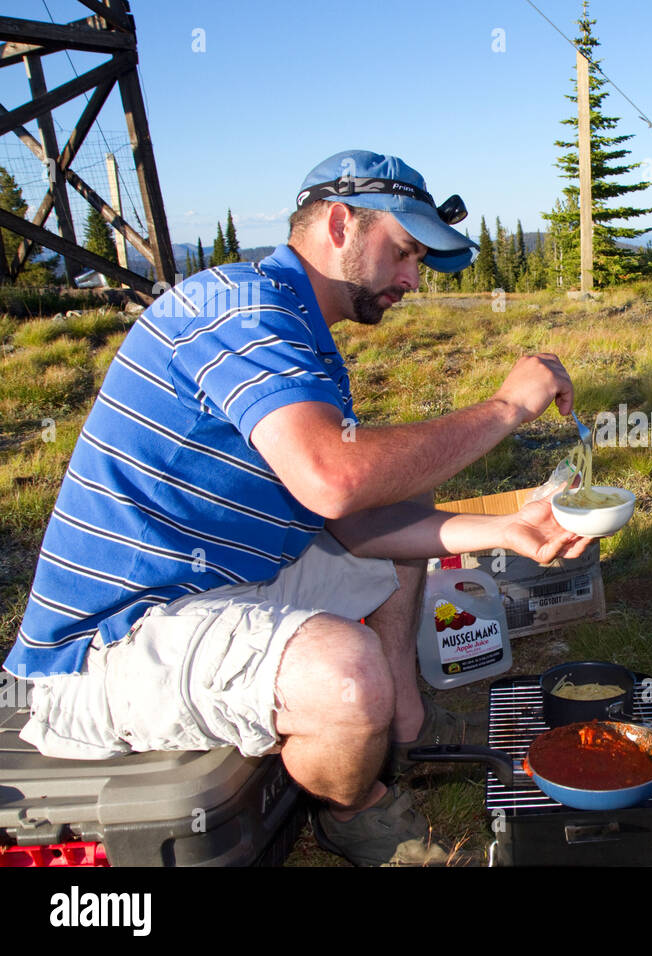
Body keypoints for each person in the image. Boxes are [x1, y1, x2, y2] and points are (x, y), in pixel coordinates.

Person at [2, 150, 593, 866]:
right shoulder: (241, 306)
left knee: (399, 492)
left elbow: (353, 521)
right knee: (345, 676)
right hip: (110, 644)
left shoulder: (293, 325)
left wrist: (508, 530)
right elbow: (332, 481)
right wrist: (503, 408)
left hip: (221, 586)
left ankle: (401, 725)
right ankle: (356, 811)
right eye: (404, 252)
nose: (412, 279)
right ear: (340, 223)